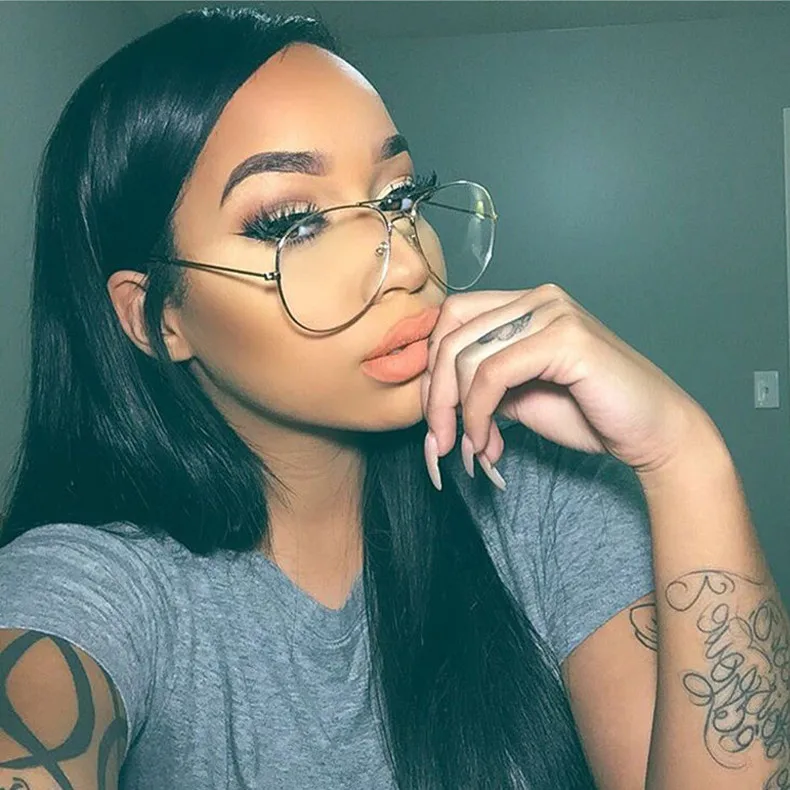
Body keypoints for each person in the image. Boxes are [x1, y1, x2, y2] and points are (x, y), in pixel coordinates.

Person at [0, 6, 786, 790]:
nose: (407, 263)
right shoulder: (94, 586)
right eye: (293, 222)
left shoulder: (543, 503)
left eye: (401, 198)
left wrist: (684, 456)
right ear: (158, 317)